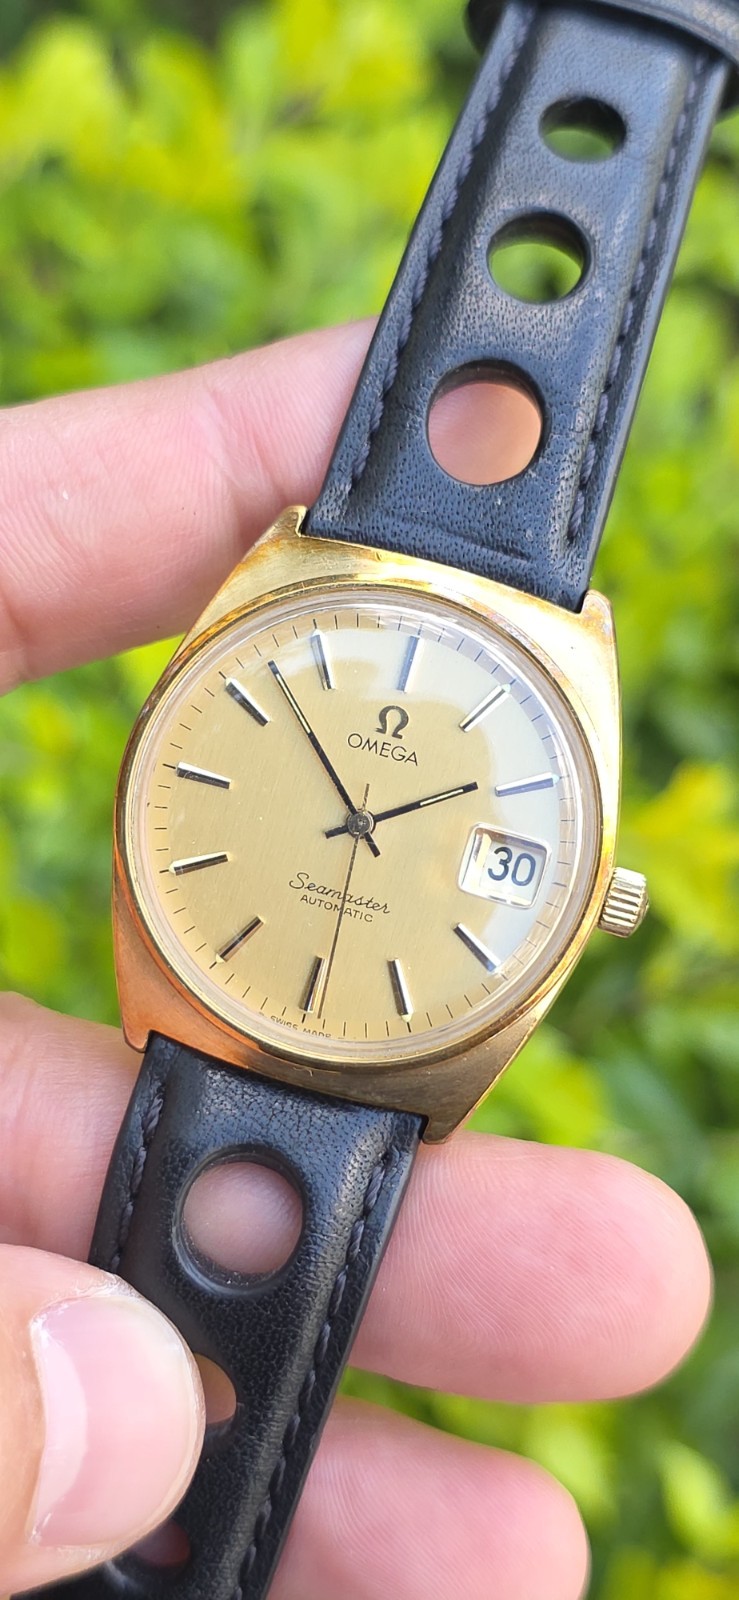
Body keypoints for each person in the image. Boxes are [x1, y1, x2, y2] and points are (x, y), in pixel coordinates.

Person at [0, 322, 711, 1599]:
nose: (363, 825)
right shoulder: (292, 578)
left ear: (589, 897)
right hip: (225, 980)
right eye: (357, 810)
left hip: (336, 1019)